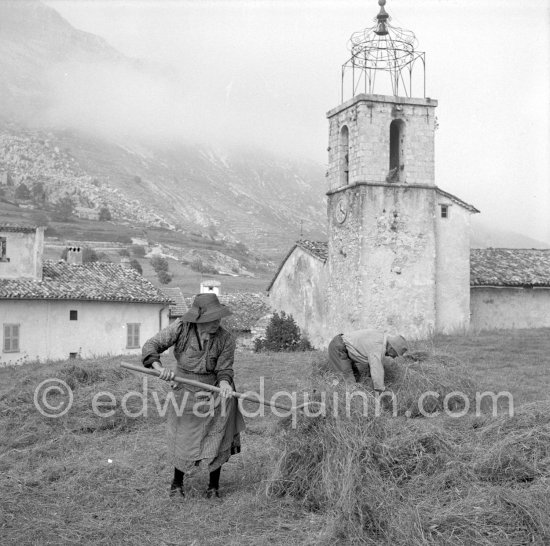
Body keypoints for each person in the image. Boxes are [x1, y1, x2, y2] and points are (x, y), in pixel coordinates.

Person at [142, 293, 245, 499]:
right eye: (211, 319)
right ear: (198, 319)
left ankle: (213, 487)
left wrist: (224, 383)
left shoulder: (226, 339)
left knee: (217, 436)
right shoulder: (181, 328)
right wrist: (159, 367)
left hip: (215, 390)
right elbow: (151, 346)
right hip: (185, 390)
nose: (216, 323)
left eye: (218, 318)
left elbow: (225, 369)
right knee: (184, 437)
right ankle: (177, 484)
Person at [327, 329, 408, 393]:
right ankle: (333, 393)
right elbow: (377, 370)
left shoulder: (381, 337)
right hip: (338, 348)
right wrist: (380, 392)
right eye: (395, 355)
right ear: (391, 348)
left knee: (357, 379)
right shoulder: (378, 347)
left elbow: (373, 361)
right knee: (349, 384)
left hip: (343, 347)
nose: (393, 357)